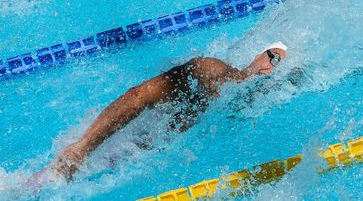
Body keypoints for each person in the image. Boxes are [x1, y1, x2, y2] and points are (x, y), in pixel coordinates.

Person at [42, 42, 288, 181]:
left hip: (204, 104)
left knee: (160, 134)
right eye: (271, 57)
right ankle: (79, 150)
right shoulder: (213, 70)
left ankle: (90, 153)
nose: (271, 64)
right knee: (153, 95)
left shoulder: (250, 98)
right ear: (259, 54)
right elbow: (137, 96)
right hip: (209, 78)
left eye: (276, 61)